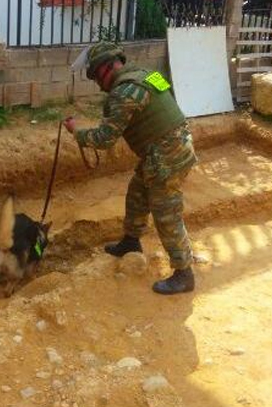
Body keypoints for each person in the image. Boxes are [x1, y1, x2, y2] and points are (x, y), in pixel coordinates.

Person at [63, 42, 198, 295]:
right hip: (174, 144)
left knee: (166, 211)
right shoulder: (147, 74)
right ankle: (131, 241)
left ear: (106, 68)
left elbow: (104, 138)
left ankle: (184, 273)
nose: (97, 84)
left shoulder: (124, 92)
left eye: (95, 76)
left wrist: (77, 131)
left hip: (165, 155)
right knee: (137, 192)